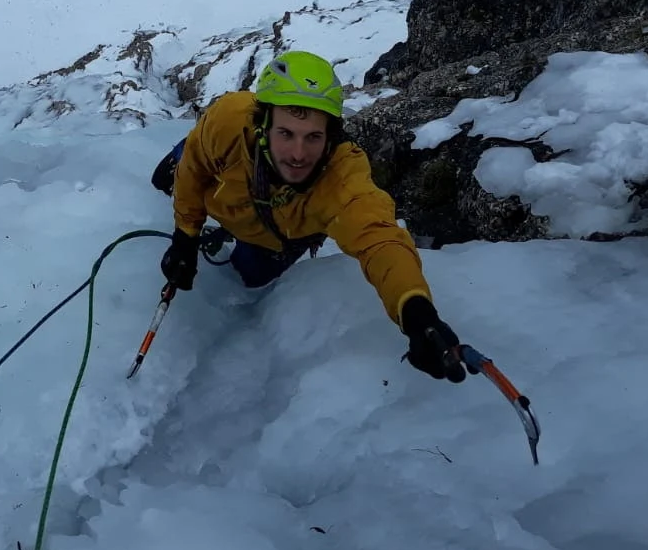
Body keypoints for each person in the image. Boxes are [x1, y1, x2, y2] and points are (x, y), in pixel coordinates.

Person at [151, 50, 468, 382]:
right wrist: (186, 234)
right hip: (227, 189)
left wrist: (414, 308)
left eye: (313, 137)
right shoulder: (230, 119)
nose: (299, 154)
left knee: (250, 277)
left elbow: (379, 238)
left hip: (276, 235)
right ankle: (180, 147)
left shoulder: (342, 177)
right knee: (184, 164)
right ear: (262, 126)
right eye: (286, 134)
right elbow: (195, 169)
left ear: (330, 136)